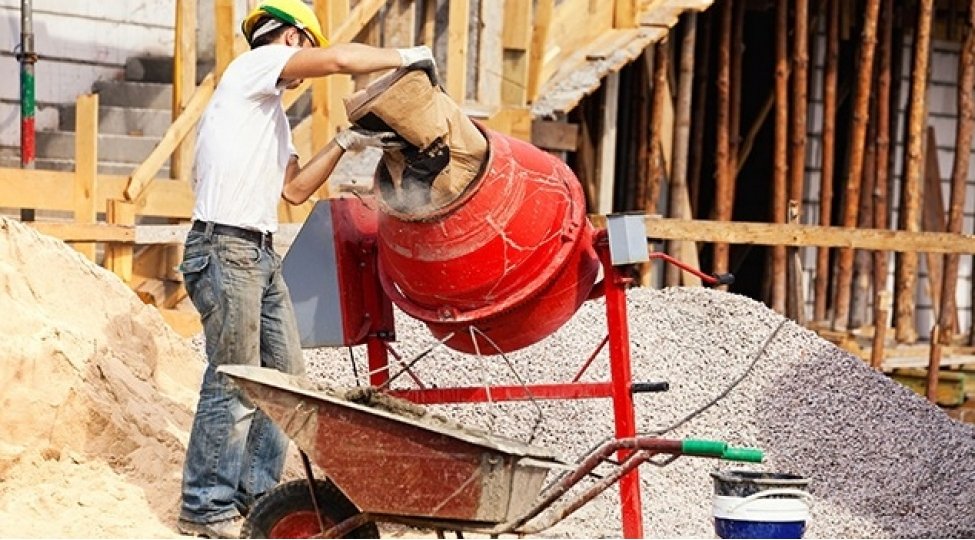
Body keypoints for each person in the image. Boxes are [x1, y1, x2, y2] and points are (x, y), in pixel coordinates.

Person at [175, 0, 432, 537]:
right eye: (310, 47)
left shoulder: (268, 117)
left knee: (287, 384)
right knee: (235, 379)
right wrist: (408, 55)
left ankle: (256, 496)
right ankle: (206, 507)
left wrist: (344, 143)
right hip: (225, 247)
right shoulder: (253, 67)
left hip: (258, 253)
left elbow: (294, 190)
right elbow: (339, 61)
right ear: (292, 38)